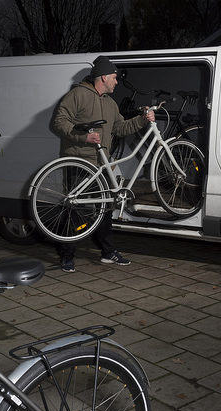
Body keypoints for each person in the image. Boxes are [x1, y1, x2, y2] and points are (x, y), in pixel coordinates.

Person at [52, 55, 155, 272]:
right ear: (104, 77)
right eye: (115, 78)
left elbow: (120, 128)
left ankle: (108, 253)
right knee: (75, 210)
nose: (117, 82)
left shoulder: (110, 103)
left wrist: (143, 120)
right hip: (80, 163)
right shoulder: (78, 95)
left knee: (105, 209)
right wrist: (83, 138)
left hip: (103, 164)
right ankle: (67, 255)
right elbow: (59, 122)